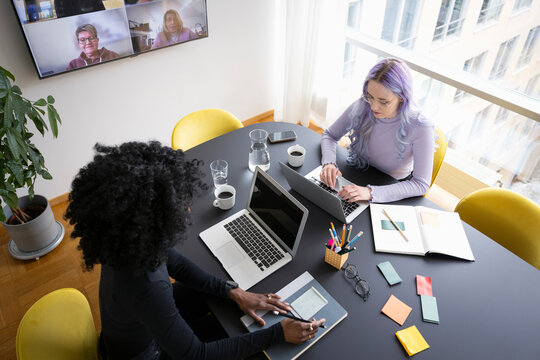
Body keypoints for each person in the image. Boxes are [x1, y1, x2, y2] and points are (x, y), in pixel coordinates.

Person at [65, 141, 325, 360]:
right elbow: (196, 356)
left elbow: (175, 264)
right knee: (243, 338)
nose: (187, 210)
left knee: (220, 301)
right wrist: (277, 333)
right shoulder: (146, 283)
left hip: (133, 329)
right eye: (179, 203)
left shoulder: (126, 238)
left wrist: (233, 292)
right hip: (148, 354)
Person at [320, 58, 435, 203]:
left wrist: (370, 192)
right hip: (357, 173)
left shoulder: (420, 127)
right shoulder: (363, 104)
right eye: (370, 96)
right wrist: (329, 163)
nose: (373, 106)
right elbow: (330, 135)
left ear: (402, 97)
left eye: (383, 101)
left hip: (391, 187)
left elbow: (421, 184)